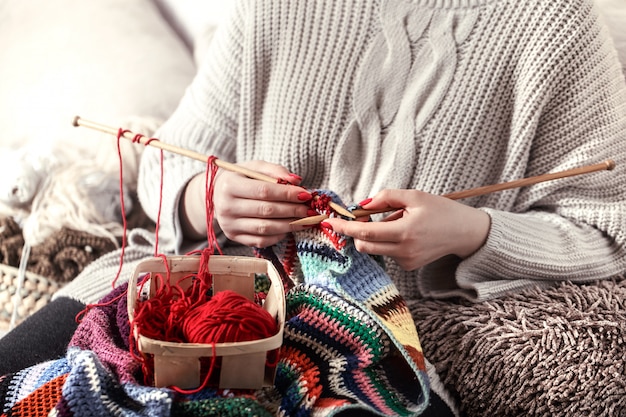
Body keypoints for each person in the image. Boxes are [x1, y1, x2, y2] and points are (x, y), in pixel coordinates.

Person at [1, 0, 626, 415]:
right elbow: (169, 161)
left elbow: (607, 229)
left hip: (371, 335)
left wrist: (470, 232)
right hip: (188, 292)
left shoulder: (556, 28)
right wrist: (208, 198)